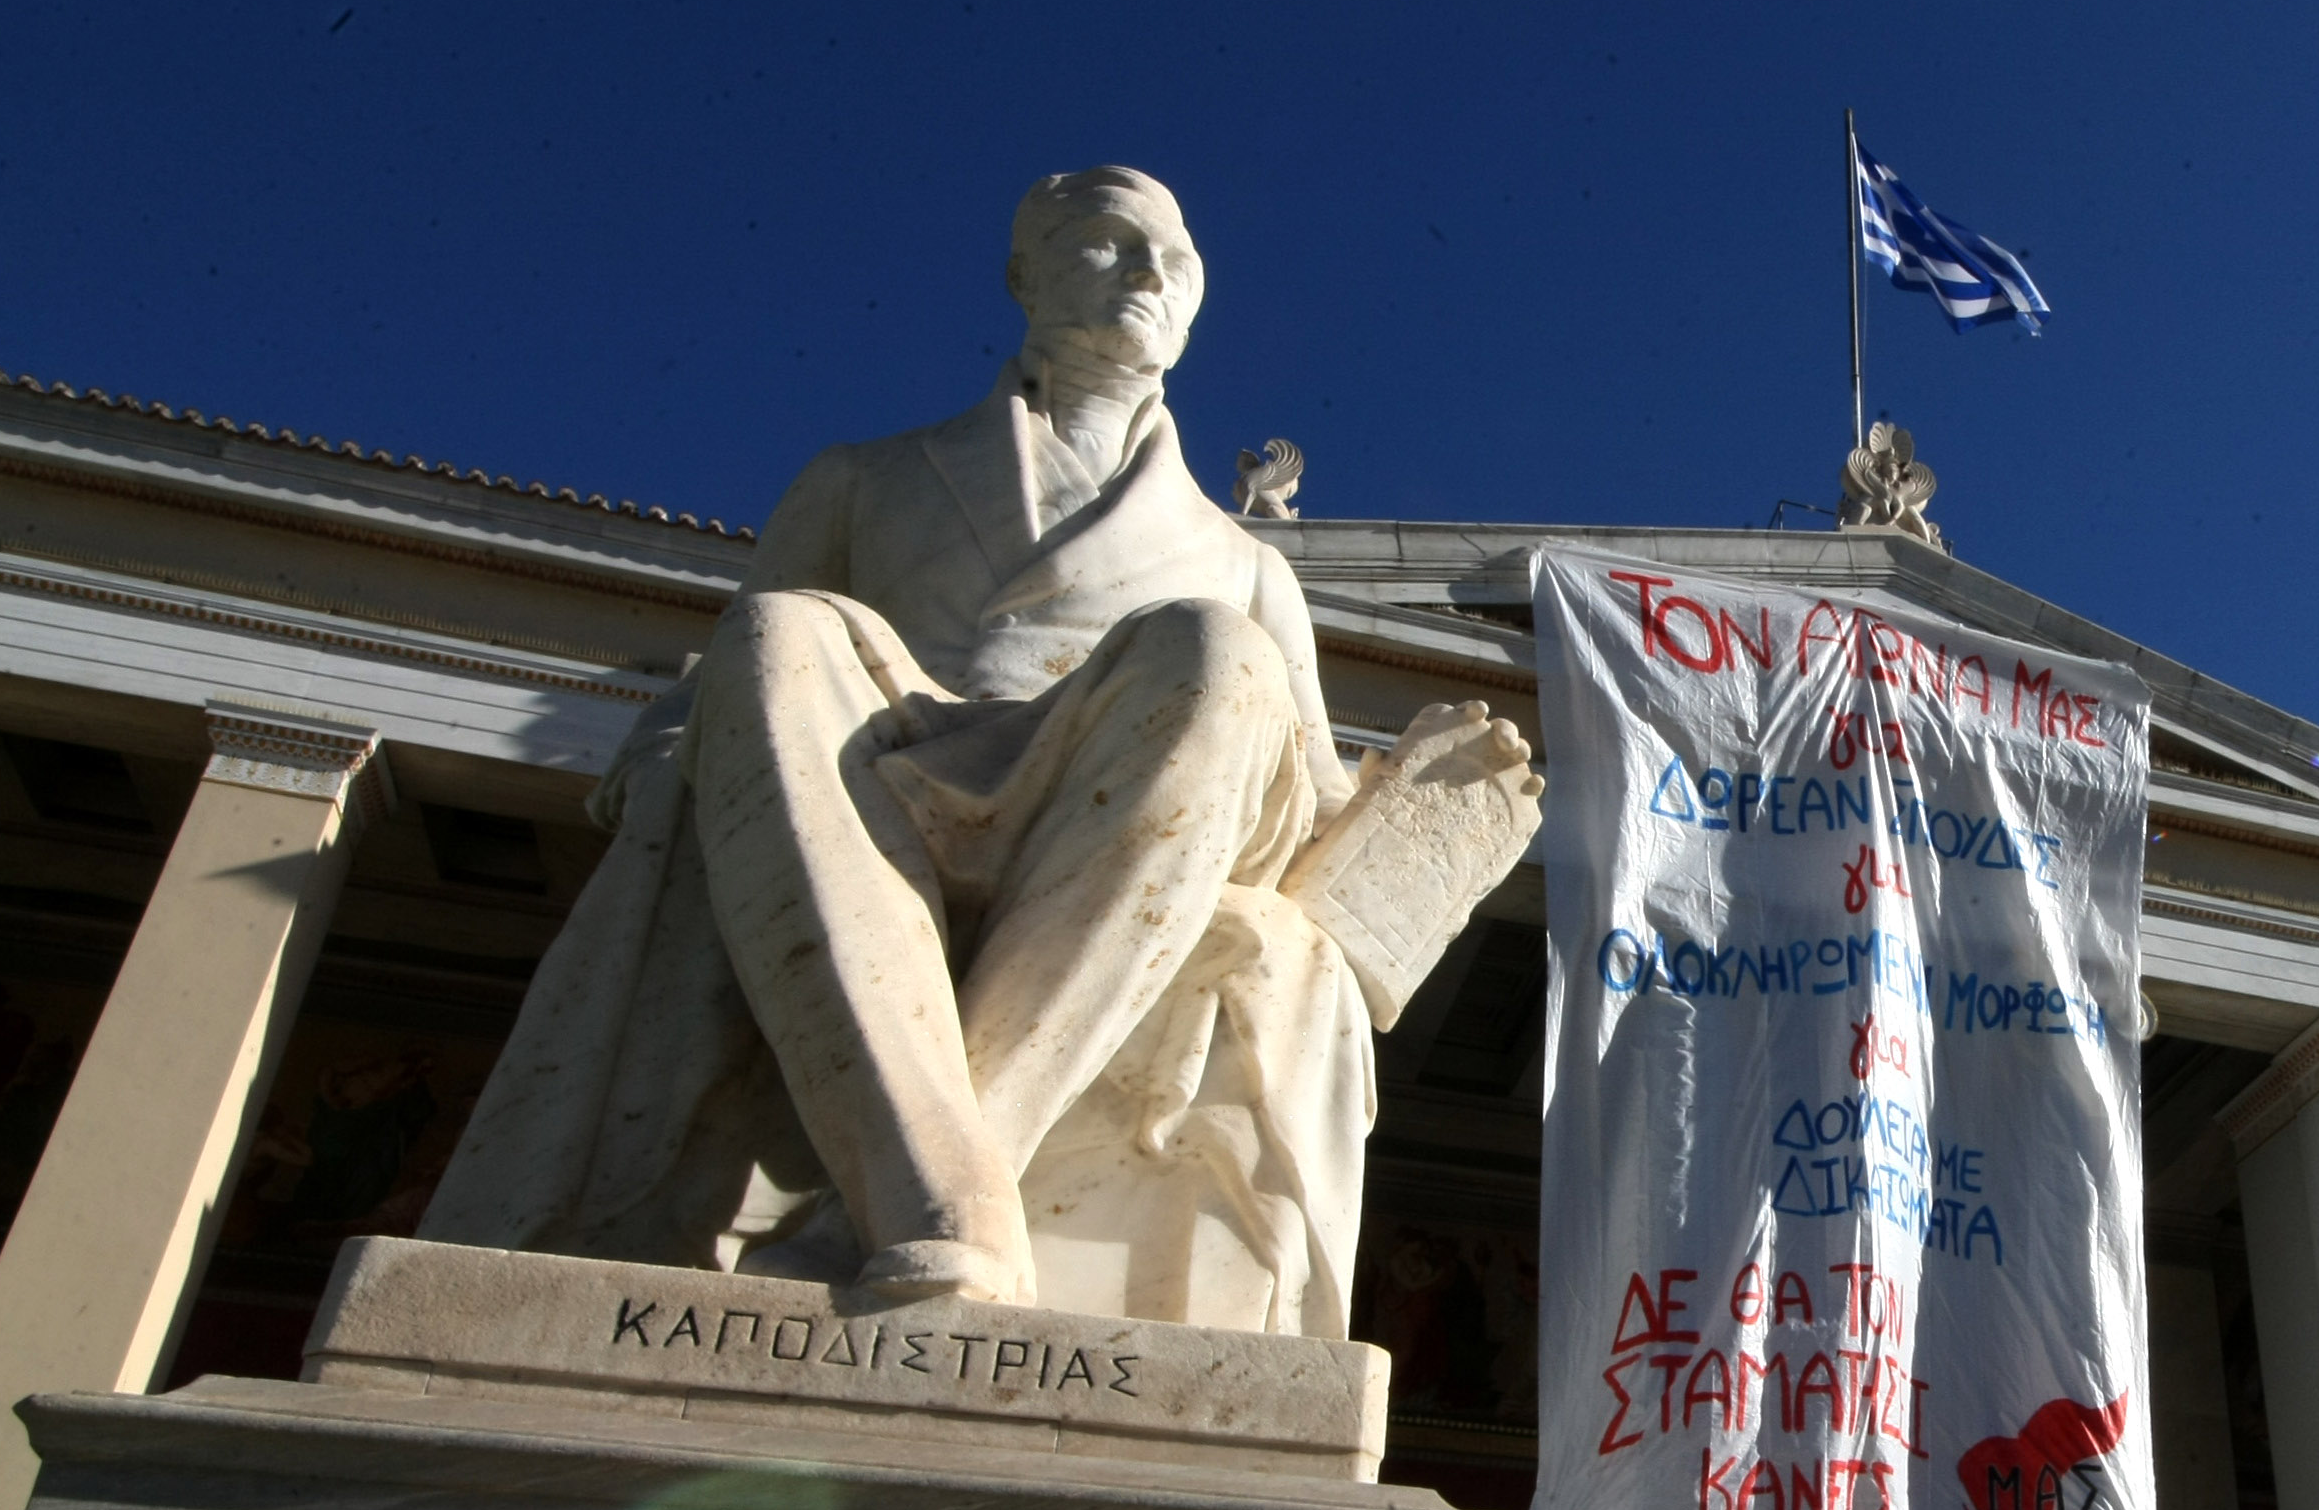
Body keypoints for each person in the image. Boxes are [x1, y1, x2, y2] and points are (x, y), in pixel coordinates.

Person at [423, 168, 1531, 1327]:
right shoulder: (864, 479)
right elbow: (717, 690)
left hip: (1134, 791)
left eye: (1177, 261)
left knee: (1220, 654)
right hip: (880, 775)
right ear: (1023, 274)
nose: (1149, 275)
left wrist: (1419, 812)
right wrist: (677, 770)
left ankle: (923, 1193)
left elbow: (1299, 798)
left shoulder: (1248, 565)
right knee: (777, 627)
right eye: (1109, 242)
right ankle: (936, 1184)